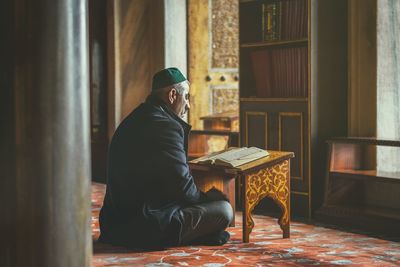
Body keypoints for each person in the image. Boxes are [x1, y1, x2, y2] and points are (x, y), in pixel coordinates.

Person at [99, 67, 233, 249]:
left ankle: (201, 233)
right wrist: (212, 199)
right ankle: (195, 234)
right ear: (172, 95)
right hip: (143, 225)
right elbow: (183, 188)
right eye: (186, 97)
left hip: (116, 223)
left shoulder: (137, 117)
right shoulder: (165, 127)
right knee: (224, 211)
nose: (188, 105)